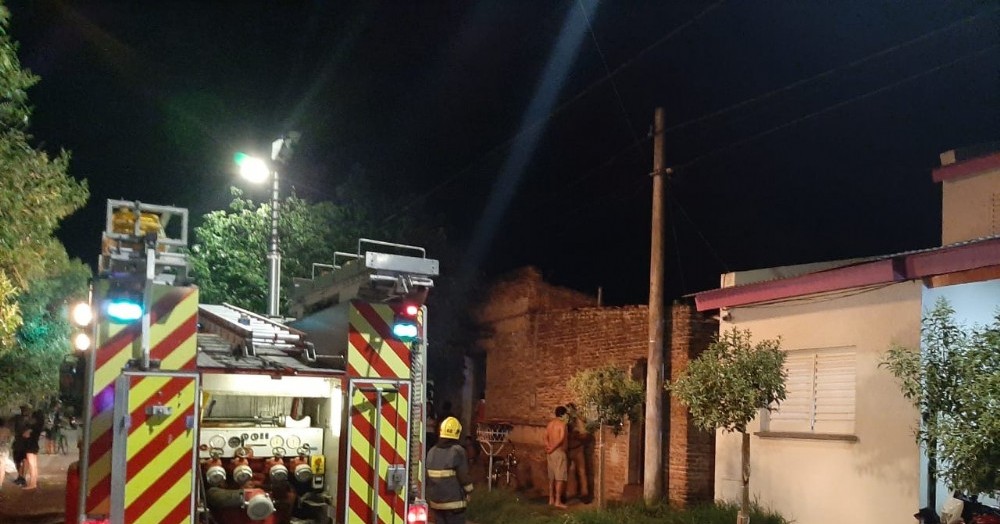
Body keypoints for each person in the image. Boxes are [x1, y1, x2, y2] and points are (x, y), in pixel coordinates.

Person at [426, 417, 473, 524]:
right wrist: (469, 491)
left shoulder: (432, 451)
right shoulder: (457, 451)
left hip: (436, 503)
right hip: (454, 504)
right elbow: (463, 476)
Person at [544, 405, 569, 508]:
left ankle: (551, 499)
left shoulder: (550, 424)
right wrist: (553, 447)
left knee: (551, 477)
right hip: (558, 452)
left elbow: (544, 436)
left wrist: (548, 447)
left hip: (550, 453)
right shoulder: (562, 425)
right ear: (563, 414)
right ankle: (557, 501)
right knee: (559, 478)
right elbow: (561, 438)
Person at [565, 403, 591, 502]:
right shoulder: (567, 421)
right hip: (570, 449)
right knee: (571, 472)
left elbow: (584, 434)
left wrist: (575, 435)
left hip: (577, 449)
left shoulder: (577, 420)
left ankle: (584, 494)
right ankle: (572, 492)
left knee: (581, 471)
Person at [21, 411, 44, 489]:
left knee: (31, 465)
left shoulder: (32, 427)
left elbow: (25, 435)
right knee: (34, 465)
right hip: (35, 445)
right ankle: (34, 481)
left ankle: (32, 483)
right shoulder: (39, 426)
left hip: (30, 446)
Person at [11, 404, 30, 486]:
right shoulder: (18, 418)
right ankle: (21, 476)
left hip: (22, 442)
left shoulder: (27, 419)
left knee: (21, 460)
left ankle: (22, 477)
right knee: (20, 460)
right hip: (20, 442)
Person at [0, 417, 13, 489]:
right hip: (4, 448)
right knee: (2, 466)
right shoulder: (7, 430)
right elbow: (9, 439)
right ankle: (0, 484)